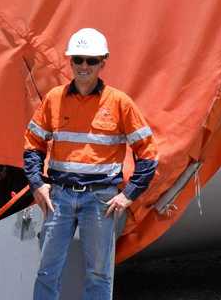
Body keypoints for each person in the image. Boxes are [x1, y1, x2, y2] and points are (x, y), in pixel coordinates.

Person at [22, 28, 158, 300]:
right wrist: (38, 185)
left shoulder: (120, 103)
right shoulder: (54, 99)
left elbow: (148, 154)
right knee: (47, 270)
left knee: (98, 273)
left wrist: (127, 196)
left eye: (91, 60)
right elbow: (32, 144)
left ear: (103, 62)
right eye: (78, 59)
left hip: (100, 200)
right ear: (70, 61)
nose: (84, 66)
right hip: (58, 197)